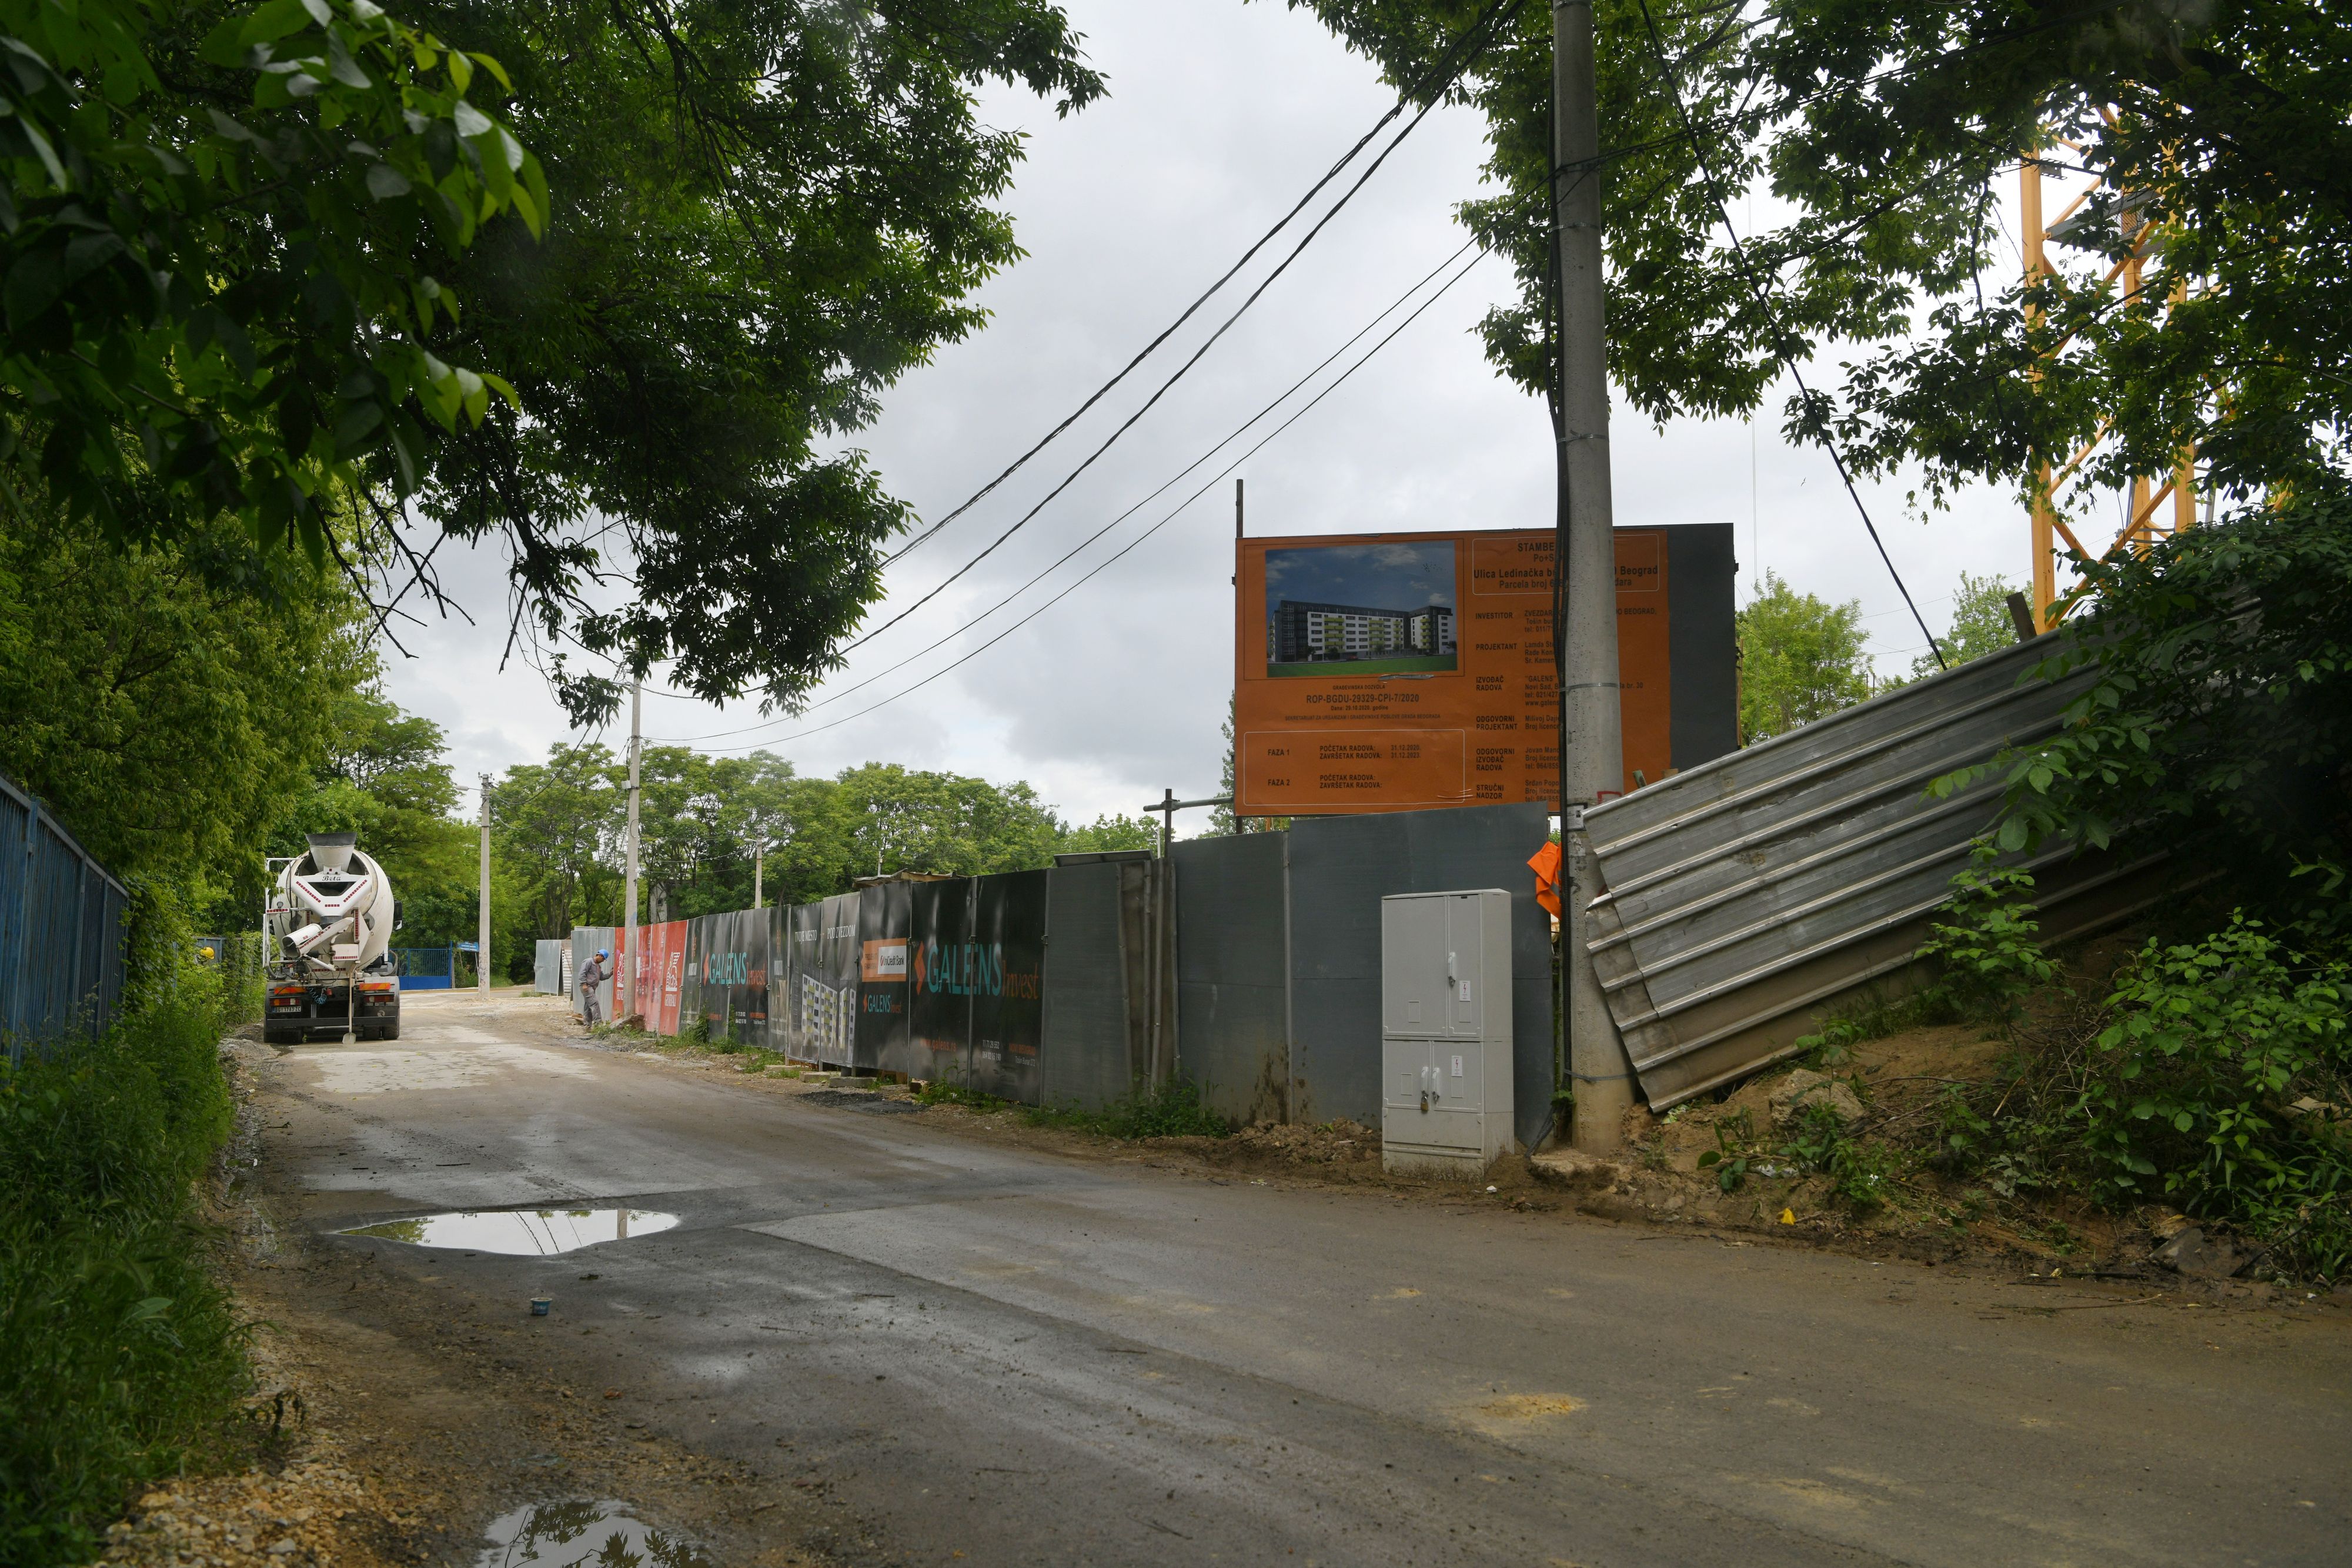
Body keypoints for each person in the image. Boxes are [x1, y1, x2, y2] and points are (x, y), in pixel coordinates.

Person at [577, 947, 611, 1026]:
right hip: (587, 987)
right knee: (595, 1004)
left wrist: (610, 974)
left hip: (592, 988)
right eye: (603, 959)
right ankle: (598, 1024)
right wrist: (584, 984)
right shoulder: (589, 962)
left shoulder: (598, 967)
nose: (603, 961)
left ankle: (587, 1026)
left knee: (588, 1007)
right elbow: (582, 973)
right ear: (600, 956)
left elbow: (601, 977)